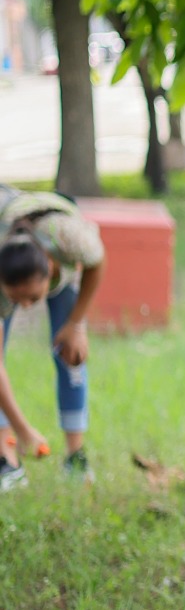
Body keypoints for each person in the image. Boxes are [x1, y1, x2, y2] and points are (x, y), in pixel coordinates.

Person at [0, 190, 106, 491]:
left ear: (50, 266)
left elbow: (99, 262)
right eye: (16, 300)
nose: (26, 307)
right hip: (11, 238)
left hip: (57, 241)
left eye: (33, 297)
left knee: (70, 354)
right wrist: (23, 430)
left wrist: (75, 325)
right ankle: (5, 458)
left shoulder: (69, 240)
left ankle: (75, 455)